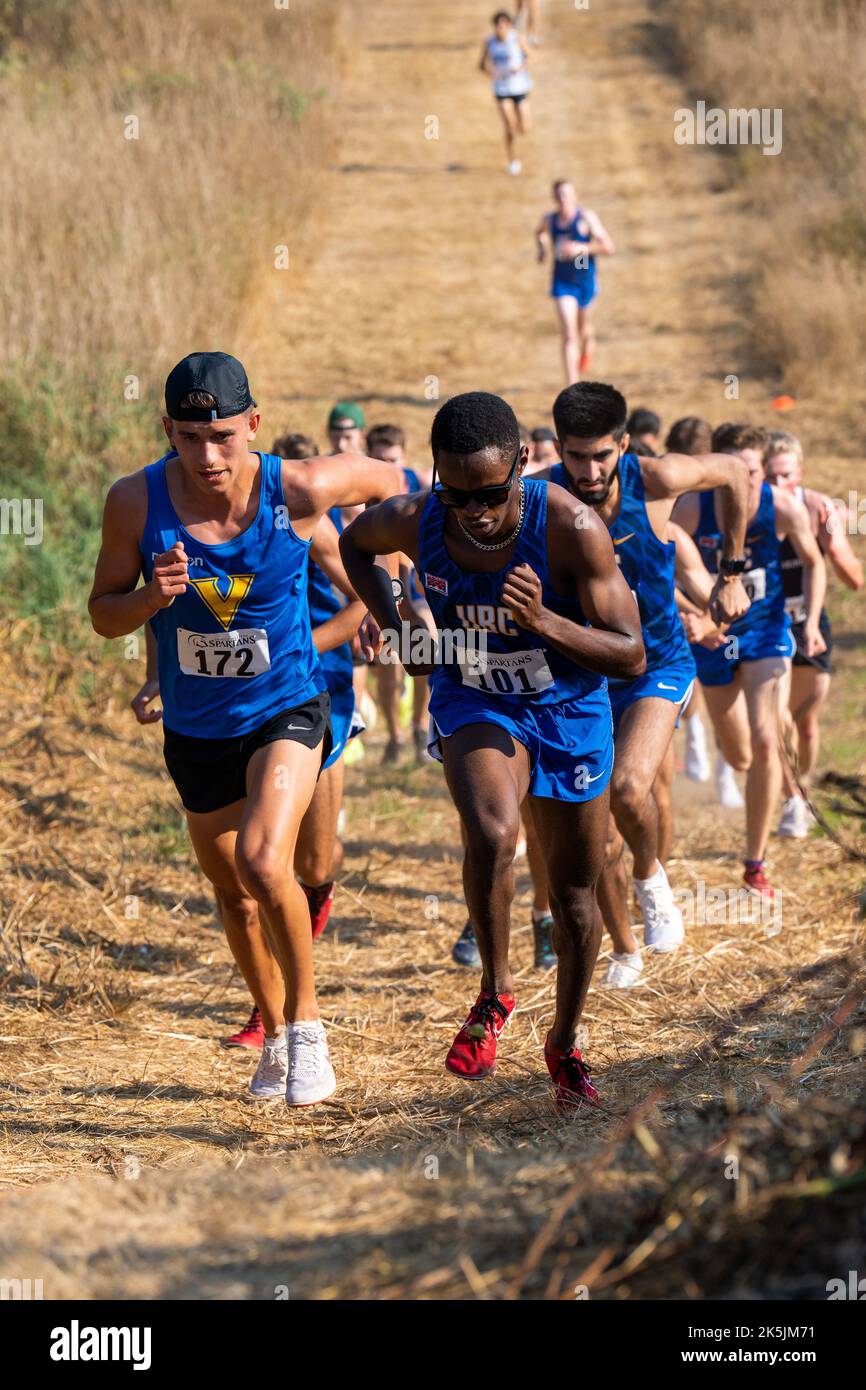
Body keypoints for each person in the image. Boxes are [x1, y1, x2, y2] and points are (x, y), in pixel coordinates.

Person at [90, 351, 398, 1106]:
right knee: (234, 895)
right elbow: (102, 612)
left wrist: (388, 591)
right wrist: (149, 602)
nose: (208, 456)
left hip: (286, 705)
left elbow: (393, 487)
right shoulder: (134, 501)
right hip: (196, 728)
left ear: (253, 426)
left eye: (223, 436)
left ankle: (308, 1031)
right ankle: (270, 1024)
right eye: (190, 439)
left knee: (266, 862)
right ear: (167, 430)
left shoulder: (297, 489)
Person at [340, 391, 646, 1107]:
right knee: (492, 829)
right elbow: (357, 545)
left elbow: (631, 655)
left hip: (567, 707)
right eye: (458, 495)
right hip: (475, 695)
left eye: (491, 494)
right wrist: (396, 625)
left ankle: (565, 1044)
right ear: (436, 478)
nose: (475, 511)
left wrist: (542, 620)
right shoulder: (419, 517)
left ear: (523, 464)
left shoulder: (571, 526)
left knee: (574, 897)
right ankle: (495, 993)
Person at [536, 382, 751, 957]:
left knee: (631, 786)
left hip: (658, 663)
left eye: (602, 455)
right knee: (596, 834)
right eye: (575, 456)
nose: (587, 470)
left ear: (624, 446)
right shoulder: (540, 497)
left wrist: (731, 571)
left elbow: (734, 470)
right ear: (558, 448)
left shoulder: (655, 481)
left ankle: (652, 880)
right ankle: (626, 950)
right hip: (582, 674)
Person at [674, 423, 827, 896]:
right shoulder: (692, 508)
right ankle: (754, 743)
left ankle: (755, 864)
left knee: (764, 741)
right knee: (739, 754)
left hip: (765, 632)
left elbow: (815, 561)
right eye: (733, 471)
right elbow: (669, 568)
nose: (743, 481)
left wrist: (812, 621)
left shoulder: (781, 506)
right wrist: (692, 616)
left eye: (753, 472)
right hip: (711, 639)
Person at [764, 429, 863, 836]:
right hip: (767, 626)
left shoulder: (818, 508)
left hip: (810, 622)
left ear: (800, 473)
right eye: (770, 476)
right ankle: (792, 797)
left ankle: (798, 788)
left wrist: (833, 543)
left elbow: (855, 580)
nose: (778, 485)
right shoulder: (750, 512)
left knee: (805, 720)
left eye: (786, 475)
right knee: (777, 717)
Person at [366, 424, 434, 764]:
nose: (386, 467)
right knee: (391, 661)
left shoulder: (419, 486)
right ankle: (395, 735)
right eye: (379, 459)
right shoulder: (361, 494)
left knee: (425, 638)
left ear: (403, 456)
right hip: (377, 589)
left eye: (392, 459)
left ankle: (421, 725)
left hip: (415, 588)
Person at [664, 415, 715, 785]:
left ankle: (699, 735)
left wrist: (705, 613)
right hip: (679, 598)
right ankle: (693, 734)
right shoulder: (665, 497)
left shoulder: (712, 491)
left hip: (704, 595)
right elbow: (663, 572)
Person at [535, 180, 615, 384]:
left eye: (567, 194)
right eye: (559, 195)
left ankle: (588, 343)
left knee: (583, 329)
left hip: (585, 281)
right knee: (569, 334)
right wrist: (542, 249)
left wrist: (582, 248)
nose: (564, 199)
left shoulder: (586, 219)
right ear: (554, 198)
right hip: (563, 283)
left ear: (575, 196)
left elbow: (608, 246)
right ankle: (572, 385)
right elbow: (540, 233)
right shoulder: (549, 220)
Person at [479, 11, 533, 176]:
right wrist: (491, 73)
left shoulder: (516, 39)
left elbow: (531, 56)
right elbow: (481, 65)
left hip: (519, 87)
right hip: (501, 89)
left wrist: (520, 68)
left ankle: (517, 130)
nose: (500, 29)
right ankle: (513, 160)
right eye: (497, 26)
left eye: (503, 25)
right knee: (509, 126)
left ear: (509, 26)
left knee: (524, 128)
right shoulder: (489, 43)